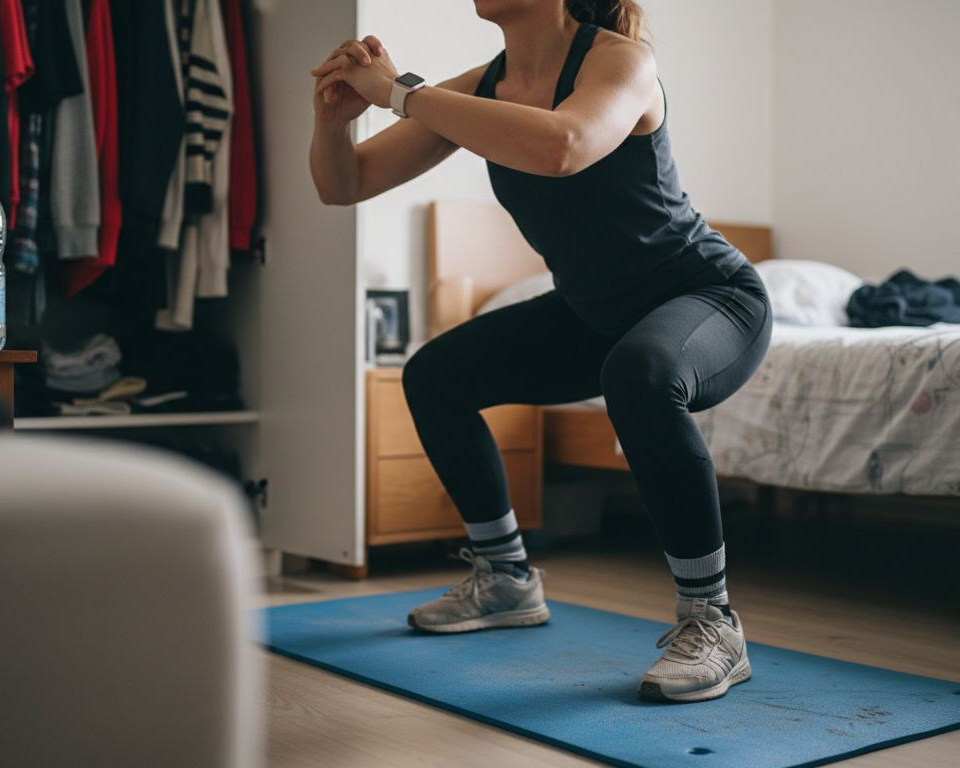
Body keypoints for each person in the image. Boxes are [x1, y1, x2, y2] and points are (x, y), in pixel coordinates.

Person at [308, 0, 772, 703]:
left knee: (639, 373)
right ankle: (505, 581)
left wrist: (402, 94)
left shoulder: (620, 60)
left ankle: (713, 622)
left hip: (708, 295)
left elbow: (563, 146)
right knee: (436, 375)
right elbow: (344, 185)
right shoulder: (476, 90)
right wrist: (333, 122)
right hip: (596, 311)